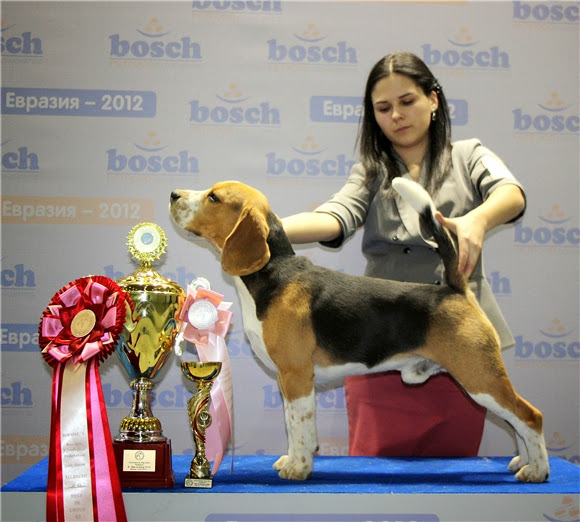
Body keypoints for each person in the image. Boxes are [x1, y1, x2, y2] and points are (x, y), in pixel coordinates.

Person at [281, 51, 526, 457]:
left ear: (433, 99)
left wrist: (477, 221)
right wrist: (265, 228)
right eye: (383, 108)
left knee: (455, 486)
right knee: (375, 491)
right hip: (378, 339)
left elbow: (510, 193)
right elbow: (335, 216)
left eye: (407, 101)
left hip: (456, 332)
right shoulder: (371, 169)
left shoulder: (470, 154)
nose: (396, 115)